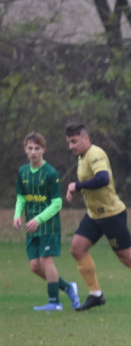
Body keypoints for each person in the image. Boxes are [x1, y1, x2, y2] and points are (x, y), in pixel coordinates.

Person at [65, 121, 131, 312]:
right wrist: (76, 189)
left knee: (126, 257)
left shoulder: (95, 154)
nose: (71, 146)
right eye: (69, 142)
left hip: (111, 215)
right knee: (77, 249)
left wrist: (77, 186)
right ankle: (96, 295)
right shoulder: (82, 156)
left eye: (74, 141)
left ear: (86, 138)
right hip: (94, 215)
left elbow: (103, 179)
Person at [14, 132, 80, 311]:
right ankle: (68, 287)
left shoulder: (51, 173)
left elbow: (57, 203)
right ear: (25, 149)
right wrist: (17, 214)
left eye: (37, 148)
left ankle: (54, 302)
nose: (33, 152)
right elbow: (21, 197)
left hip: (48, 226)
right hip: (32, 227)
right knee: (35, 266)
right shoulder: (23, 172)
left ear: (43, 150)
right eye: (30, 148)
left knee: (45, 261)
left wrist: (39, 218)